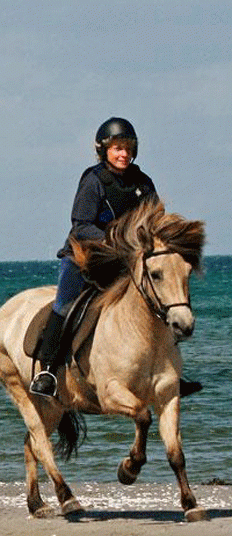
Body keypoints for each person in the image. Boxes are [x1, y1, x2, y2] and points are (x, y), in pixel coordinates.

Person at [28, 117, 200, 398]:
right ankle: (47, 371)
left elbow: (155, 222)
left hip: (126, 262)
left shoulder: (143, 183)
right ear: (104, 150)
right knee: (65, 305)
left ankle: (168, 372)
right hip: (86, 258)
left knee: (160, 301)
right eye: (118, 148)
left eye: (128, 148)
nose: (124, 154)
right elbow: (81, 225)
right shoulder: (93, 181)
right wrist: (118, 242)